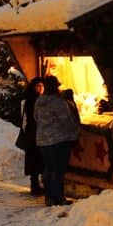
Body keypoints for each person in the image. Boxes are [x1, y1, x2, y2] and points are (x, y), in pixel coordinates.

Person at [34, 76, 80, 207]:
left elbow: (35, 118)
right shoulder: (58, 102)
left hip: (42, 141)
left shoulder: (39, 101)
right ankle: (59, 198)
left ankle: (49, 198)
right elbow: (67, 121)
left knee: (48, 169)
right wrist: (75, 134)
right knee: (58, 170)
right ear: (56, 87)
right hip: (59, 140)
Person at [15, 78, 45, 196]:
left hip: (35, 134)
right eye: (38, 86)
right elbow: (27, 120)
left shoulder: (35, 100)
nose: (40, 88)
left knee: (37, 161)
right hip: (34, 135)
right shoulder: (32, 101)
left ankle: (36, 186)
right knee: (35, 161)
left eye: (42, 86)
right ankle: (35, 186)